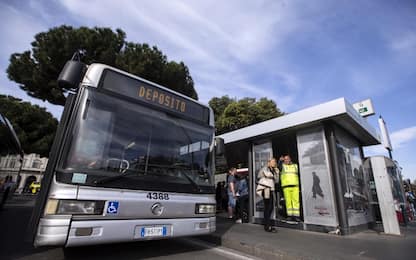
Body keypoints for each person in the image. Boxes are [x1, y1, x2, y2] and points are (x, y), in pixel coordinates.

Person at [257, 158, 279, 232]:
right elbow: (259, 176)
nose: (274, 163)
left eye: (275, 162)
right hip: (265, 189)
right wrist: (268, 173)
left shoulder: (274, 170)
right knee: (268, 207)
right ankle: (267, 226)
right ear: (269, 162)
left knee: (270, 207)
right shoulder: (265, 168)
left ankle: (267, 224)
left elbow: (277, 181)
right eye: (273, 162)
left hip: (271, 189)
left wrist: (277, 173)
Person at [279, 155, 301, 221]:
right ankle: (289, 216)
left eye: (287, 159)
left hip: (295, 186)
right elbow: (278, 166)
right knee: (288, 202)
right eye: (285, 159)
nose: (286, 160)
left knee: (296, 201)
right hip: (286, 187)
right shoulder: (282, 166)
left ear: (290, 159)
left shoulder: (295, 166)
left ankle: (296, 216)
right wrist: (280, 161)